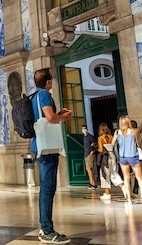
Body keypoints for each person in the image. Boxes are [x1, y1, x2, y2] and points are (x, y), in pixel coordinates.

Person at [30, 67, 72, 244]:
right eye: (51, 80)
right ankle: (46, 230)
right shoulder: (45, 95)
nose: (52, 82)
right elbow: (49, 117)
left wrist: (58, 115)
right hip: (46, 147)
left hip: (39, 144)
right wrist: (64, 117)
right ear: (48, 82)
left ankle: (46, 227)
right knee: (48, 189)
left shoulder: (34, 96)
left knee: (46, 189)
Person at [115, 115, 142, 204]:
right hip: (133, 156)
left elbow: (112, 142)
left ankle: (129, 199)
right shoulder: (134, 131)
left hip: (123, 157)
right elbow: (137, 143)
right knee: (139, 177)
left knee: (126, 178)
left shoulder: (117, 132)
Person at [97, 123, 122, 201]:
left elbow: (101, 150)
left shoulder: (100, 138)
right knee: (114, 174)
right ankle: (124, 187)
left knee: (105, 175)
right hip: (112, 156)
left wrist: (95, 149)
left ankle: (107, 193)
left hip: (105, 157)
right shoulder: (111, 137)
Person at [81, 125, 97, 189]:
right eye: (82, 129)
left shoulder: (90, 137)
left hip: (89, 154)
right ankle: (92, 182)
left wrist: (92, 151)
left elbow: (95, 144)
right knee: (88, 169)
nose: (84, 130)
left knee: (89, 168)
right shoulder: (84, 138)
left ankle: (92, 183)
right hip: (86, 154)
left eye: (85, 129)